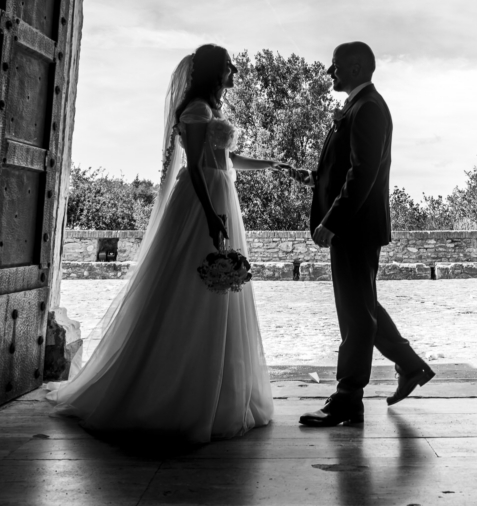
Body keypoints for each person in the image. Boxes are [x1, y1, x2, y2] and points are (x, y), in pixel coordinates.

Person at [48, 44, 278, 443]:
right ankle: (169, 390)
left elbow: (225, 158)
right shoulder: (196, 110)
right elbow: (196, 166)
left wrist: (270, 165)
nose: (235, 72)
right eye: (229, 66)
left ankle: (220, 389)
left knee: (219, 290)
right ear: (214, 70)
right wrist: (210, 214)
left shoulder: (212, 109)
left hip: (222, 195)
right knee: (187, 283)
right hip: (201, 201)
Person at [286, 41, 433, 427]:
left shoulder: (367, 107)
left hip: (354, 227)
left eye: (334, 65)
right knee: (362, 306)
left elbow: (363, 172)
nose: (329, 72)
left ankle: (348, 397)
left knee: (355, 313)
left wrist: (333, 221)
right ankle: (410, 365)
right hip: (356, 225)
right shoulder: (360, 106)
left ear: (354, 68)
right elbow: (346, 166)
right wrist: (316, 177)